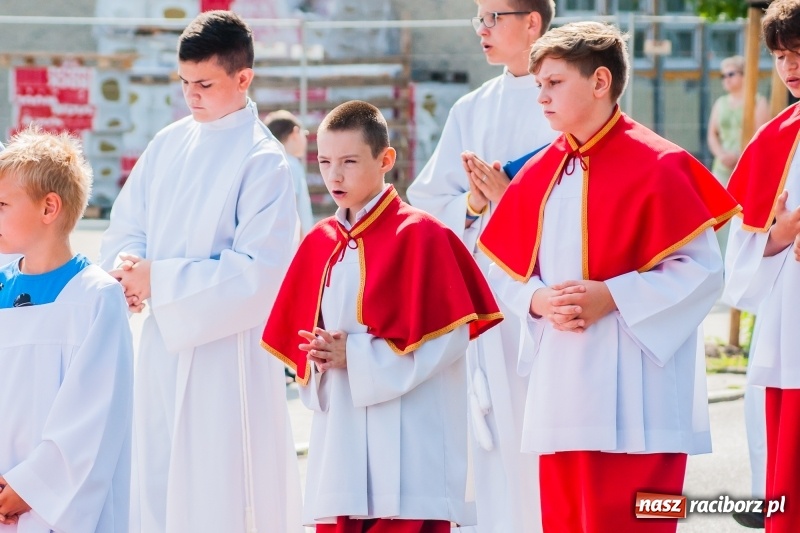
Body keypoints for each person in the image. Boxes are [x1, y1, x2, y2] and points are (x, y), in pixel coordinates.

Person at [478, 22, 739, 533]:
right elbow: (503, 269)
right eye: (539, 85)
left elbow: (704, 271)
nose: (541, 97)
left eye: (554, 83)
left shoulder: (661, 164)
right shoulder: (538, 173)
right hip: (560, 393)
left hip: (641, 397)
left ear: (600, 81)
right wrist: (537, 300)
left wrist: (614, 296)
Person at [99, 11, 302, 533]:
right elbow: (129, 223)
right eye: (184, 81)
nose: (191, 95)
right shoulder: (168, 143)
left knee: (219, 492)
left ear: (243, 77)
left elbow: (261, 274)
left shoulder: (264, 161)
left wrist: (160, 281)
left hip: (226, 358)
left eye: (205, 84)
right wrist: (127, 269)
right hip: (163, 347)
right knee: (158, 478)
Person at [261, 100, 503, 532]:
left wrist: (355, 355)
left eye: (350, 161)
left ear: (385, 159)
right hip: (341, 446)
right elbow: (303, 354)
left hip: (410, 448)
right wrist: (319, 357)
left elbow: (449, 340)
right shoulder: (320, 243)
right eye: (324, 162)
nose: (334, 176)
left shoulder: (424, 236)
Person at [406, 1, 556, 530]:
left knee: (547, 442)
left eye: (494, 17)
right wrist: (473, 204)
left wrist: (513, 199)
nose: (482, 29)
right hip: (491, 302)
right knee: (497, 449)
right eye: (479, 18)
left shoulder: (570, 99)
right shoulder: (471, 108)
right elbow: (428, 203)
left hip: (552, 297)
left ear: (532, 22)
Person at [0, 128, 133, 532]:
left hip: (51, 506)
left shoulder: (95, 297)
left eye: (2, 204)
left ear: (49, 207)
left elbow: (94, 416)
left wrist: (31, 487)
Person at [724, 1, 800, 530]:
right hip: (791, 327)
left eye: (798, 52)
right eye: (779, 55)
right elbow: (741, 256)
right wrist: (779, 235)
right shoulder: (774, 140)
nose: (789, 66)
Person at [707, 55, 769, 254]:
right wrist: (721, 154)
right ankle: (721, 260)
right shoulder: (720, 103)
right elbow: (712, 134)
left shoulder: (758, 101)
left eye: (731, 74)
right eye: (722, 75)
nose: (726, 79)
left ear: (744, 75)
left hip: (747, 167)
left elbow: (761, 136)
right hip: (722, 168)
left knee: (743, 216)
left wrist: (740, 157)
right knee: (719, 216)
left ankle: (740, 256)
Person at [265, 109, 315, 237]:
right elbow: (292, 210)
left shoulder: (273, 163)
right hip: (296, 245)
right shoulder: (290, 164)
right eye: (304, 134)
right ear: (295, 133)